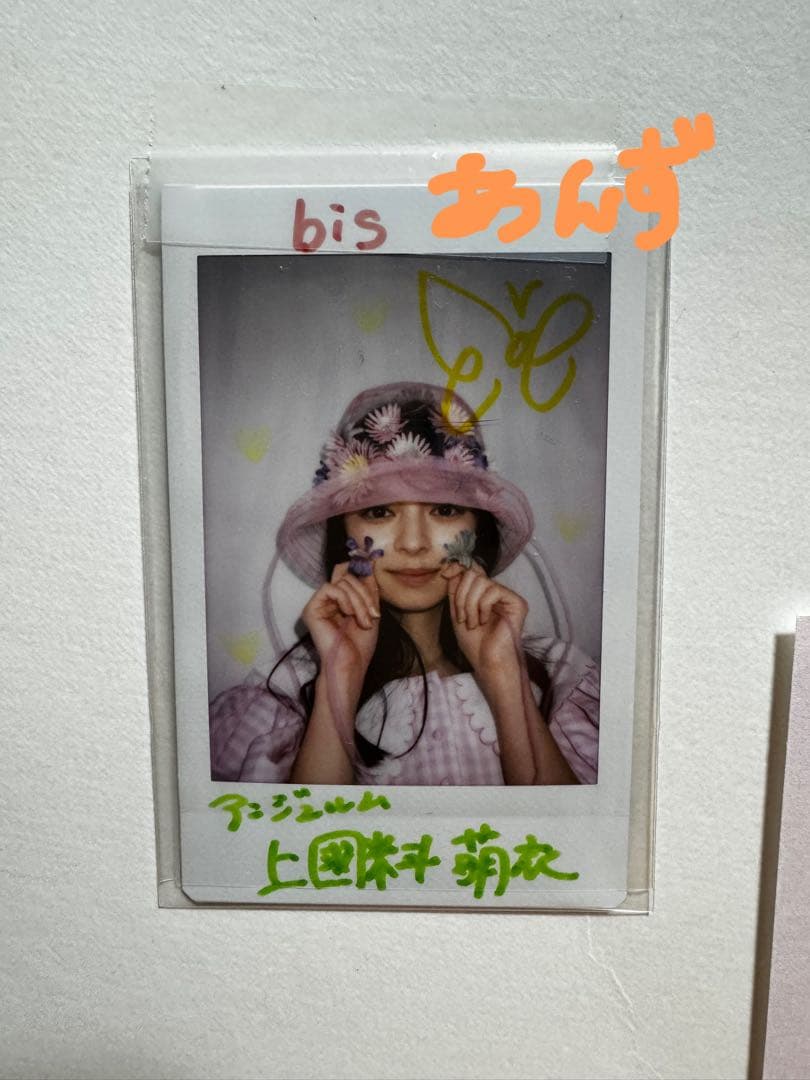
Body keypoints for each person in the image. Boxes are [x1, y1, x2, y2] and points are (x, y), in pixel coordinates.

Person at [210, 382, 599, 786]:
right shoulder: (285, 694)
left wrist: (504, 675)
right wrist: (339, 679)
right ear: (343, 529)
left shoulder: (559, 674)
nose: (413, 544)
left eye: (444, 509)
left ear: (478, 525)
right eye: (379, 512)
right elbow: (302, 828)